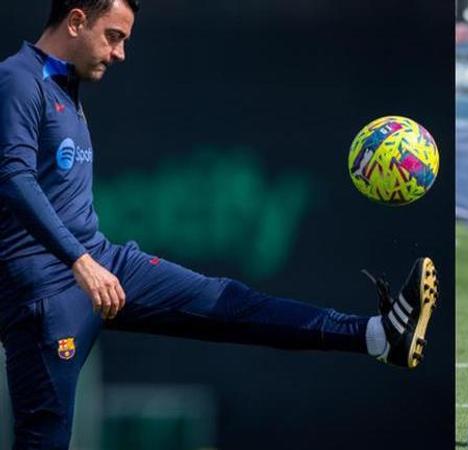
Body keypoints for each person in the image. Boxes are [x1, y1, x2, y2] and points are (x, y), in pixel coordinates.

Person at [0, 1, 440, 448]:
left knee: (230, 303)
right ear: (76, 21)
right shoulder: (17, 79)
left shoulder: (64, 84)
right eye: (114, 36)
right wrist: (80, 261)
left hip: (103, 264)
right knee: (43, 441)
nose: (120, 53)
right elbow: (13, 179)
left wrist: (89, 260)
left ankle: (378, 336)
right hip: (45, 294)